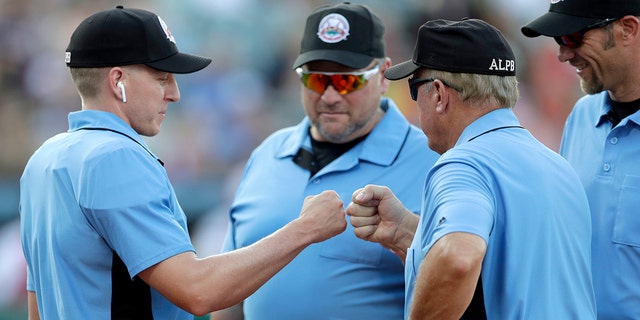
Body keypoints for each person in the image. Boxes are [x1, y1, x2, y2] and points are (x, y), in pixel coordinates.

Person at [19, 6, 347, 319]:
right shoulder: (115, 157)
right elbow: (197, 291)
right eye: (162, 78)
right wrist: (306, 229)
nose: (174, 93)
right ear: (118, 79)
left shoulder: (43, 159)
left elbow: (38, 306)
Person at [347, 18, 597, 319]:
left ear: (439, 94)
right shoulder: (557, 166)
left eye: (415, 89)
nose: (415, 102)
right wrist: (404, 230)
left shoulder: (463, 164)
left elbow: (459, 257)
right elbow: (509, 265)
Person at [210, 3, 439, 320]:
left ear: (384, 75)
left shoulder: (432, 160)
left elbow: (466, 282)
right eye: (317, 79)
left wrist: (408, 235)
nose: (330, 96)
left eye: (347, 81)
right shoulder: (268, 153)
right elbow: (230, 289)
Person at [522, 1, 640, 318]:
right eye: (558, 41)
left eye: (573, 37)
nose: (563, 54)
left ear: (627, 29)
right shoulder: (582, 116)